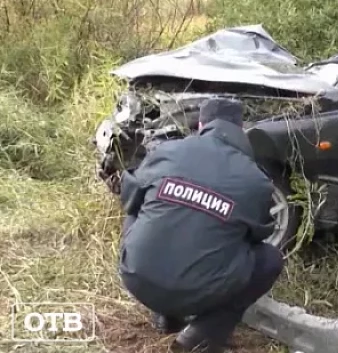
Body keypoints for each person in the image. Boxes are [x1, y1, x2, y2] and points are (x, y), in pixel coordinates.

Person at [118, 98, 285, 353]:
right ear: (241, 129)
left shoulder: (167, 150)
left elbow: (129, 195)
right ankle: (204, 332)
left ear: (200, 124)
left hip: (138, 278)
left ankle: (166, 315)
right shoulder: (257, 181)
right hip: (202, 292)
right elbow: (259, 234)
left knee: (139, 207)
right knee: (269, 259)